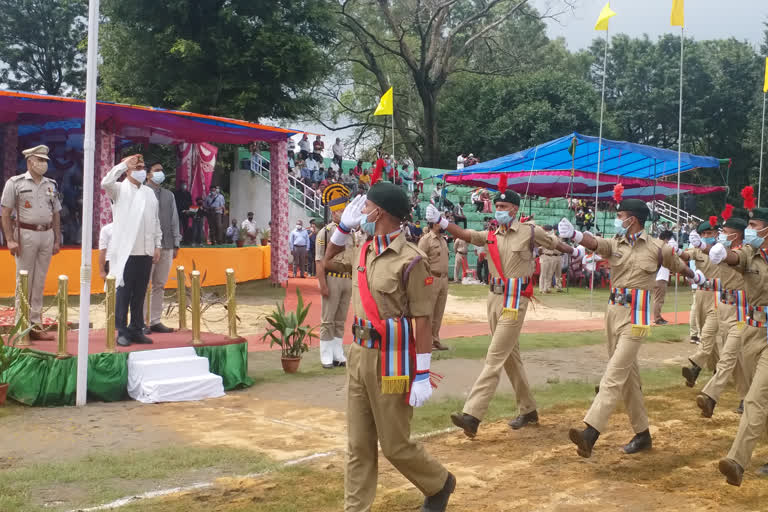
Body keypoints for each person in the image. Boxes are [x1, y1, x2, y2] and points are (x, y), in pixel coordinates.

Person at [323, 184, 456, 512]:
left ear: (379, 212)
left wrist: (423, 373)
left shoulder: (412, 260)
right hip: (358, 354)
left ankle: (439, 482)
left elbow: (423, 321)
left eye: (365, 206)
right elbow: (327, 260)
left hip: (391, 359)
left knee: (395, 446)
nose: (361, 212)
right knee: (358, 445)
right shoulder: (360, 247)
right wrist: (342, 228)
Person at [428, 188, 583, 437]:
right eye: (497, 207)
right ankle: (528, 409)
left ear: (514, 209)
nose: (499, 211)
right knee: (510, 357)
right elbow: (467, 234)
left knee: (495, 356)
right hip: (494, 297)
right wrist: (443, 222)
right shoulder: (491, 234)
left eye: (503, 207)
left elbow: (554, 243)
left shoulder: (529, 231)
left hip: (515, 300)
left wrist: (575, 251)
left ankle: (473, 414)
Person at [558, 198, 701, 458]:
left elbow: (679, 265)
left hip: (637, 315)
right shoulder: (615, 243)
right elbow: (596, 243)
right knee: (628, 379)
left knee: (614, 373)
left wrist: (697, 277)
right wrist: (576, 235)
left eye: (620, 214)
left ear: (632, 219)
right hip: (613, 311)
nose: (617, 218)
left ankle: (591, 431)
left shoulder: (658, 248)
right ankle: (643, 433)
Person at [707, 205, 768, 485]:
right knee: (755, 395)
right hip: (753, 332)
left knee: (755, 398)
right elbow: (735, 258)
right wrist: (723, 253)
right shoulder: (749, 254)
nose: (751, 231)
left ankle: (737, 461)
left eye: (755, 226)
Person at [689, 216, 749, 419]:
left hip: (742, 312)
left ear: (736, 234)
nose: (721, 235)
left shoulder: (747, 254)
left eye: (725, 231)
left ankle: (710, 397)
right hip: (724, 308)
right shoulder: (721, 253)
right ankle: (746, 397)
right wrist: (702, 279)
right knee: (738, 362)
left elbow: (733, 259)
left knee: (728, 356)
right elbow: (723, 280)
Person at [0, 145, 61, 339]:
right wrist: (9, 239)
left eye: (45, 160)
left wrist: (57, 239)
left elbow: (56, 212)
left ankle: (35, 326)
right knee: (24, 280)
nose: (43, 164)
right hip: (25, 233)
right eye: (39, 160)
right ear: (29, 161)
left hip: (47, 233)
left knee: (40, 281)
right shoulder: (15, 183)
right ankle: (22, 326)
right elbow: (5, 213)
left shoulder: (51, 184)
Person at [101, 154, 162, 347]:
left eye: (143, 167)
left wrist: (158, 245)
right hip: (126, 252)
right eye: (137, 167)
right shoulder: (118, 189)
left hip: (145, 251)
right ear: (128, 170)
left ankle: (137, 328)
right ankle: (122, 331)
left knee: (140, 292)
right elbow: (106, 181)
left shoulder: (149, 193)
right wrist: (123, 164)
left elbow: (155, 221)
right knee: (123, 293)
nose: (142, 170)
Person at [315, 184, 354, 369]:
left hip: (347, 278)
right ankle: (325, 354)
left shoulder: (351, 233)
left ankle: (338, 352)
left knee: (341, 318)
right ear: (333, 213)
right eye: (341, 210)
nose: (343, 213)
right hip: (332, 277)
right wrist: (322, 284)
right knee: (328, 318)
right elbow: (319, 261)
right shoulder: (325, 232)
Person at [680, 220, 722, 387]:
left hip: (718, 295)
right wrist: (676, 251)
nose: (707, 236)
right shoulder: (697, 249)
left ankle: (695, 368)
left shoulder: (722, 250)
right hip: (701, 294)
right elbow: (686, 255)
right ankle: (718, 370)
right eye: (704, 234)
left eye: (710, 234)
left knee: (707, 333)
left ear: (716, 234)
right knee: (707, 334)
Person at [146, 162, 181, 334]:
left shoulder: (169, 195)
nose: (160, 173)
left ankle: (155, 320)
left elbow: (174, 219)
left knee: (160, 284)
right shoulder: (141, 193)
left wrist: (176, 243)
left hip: (166, 245)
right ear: (148, 174)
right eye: (156, 170)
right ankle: (141, 321)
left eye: (161, 170)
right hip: (145, 247)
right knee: (143, 284)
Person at [418, 221, 450, 351]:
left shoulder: (443, 240)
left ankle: (435, 339)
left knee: (439, 311)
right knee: (429, 311)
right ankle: (426, 341)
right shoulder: (426, 240)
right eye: (439, 223)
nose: (443, 226)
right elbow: (419, 261)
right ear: (433, 224)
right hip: (432, 278)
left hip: (444, 279)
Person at [653, 230, 675, 325]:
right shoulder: (662, 247)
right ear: (666, 239)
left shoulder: (655, 245)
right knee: (659, 299)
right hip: (660, 276)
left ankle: (658, 316)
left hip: (657, 276)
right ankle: (657, 318)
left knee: (658, 298)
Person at [539, 225, 563, 294]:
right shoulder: (545, 237)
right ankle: (541, 289)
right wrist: (542, 255)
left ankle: (546, 288)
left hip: (552, 256)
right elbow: (540, 249)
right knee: (543, 273)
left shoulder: (555, 237)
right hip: (545, 255)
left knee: (549, 274)